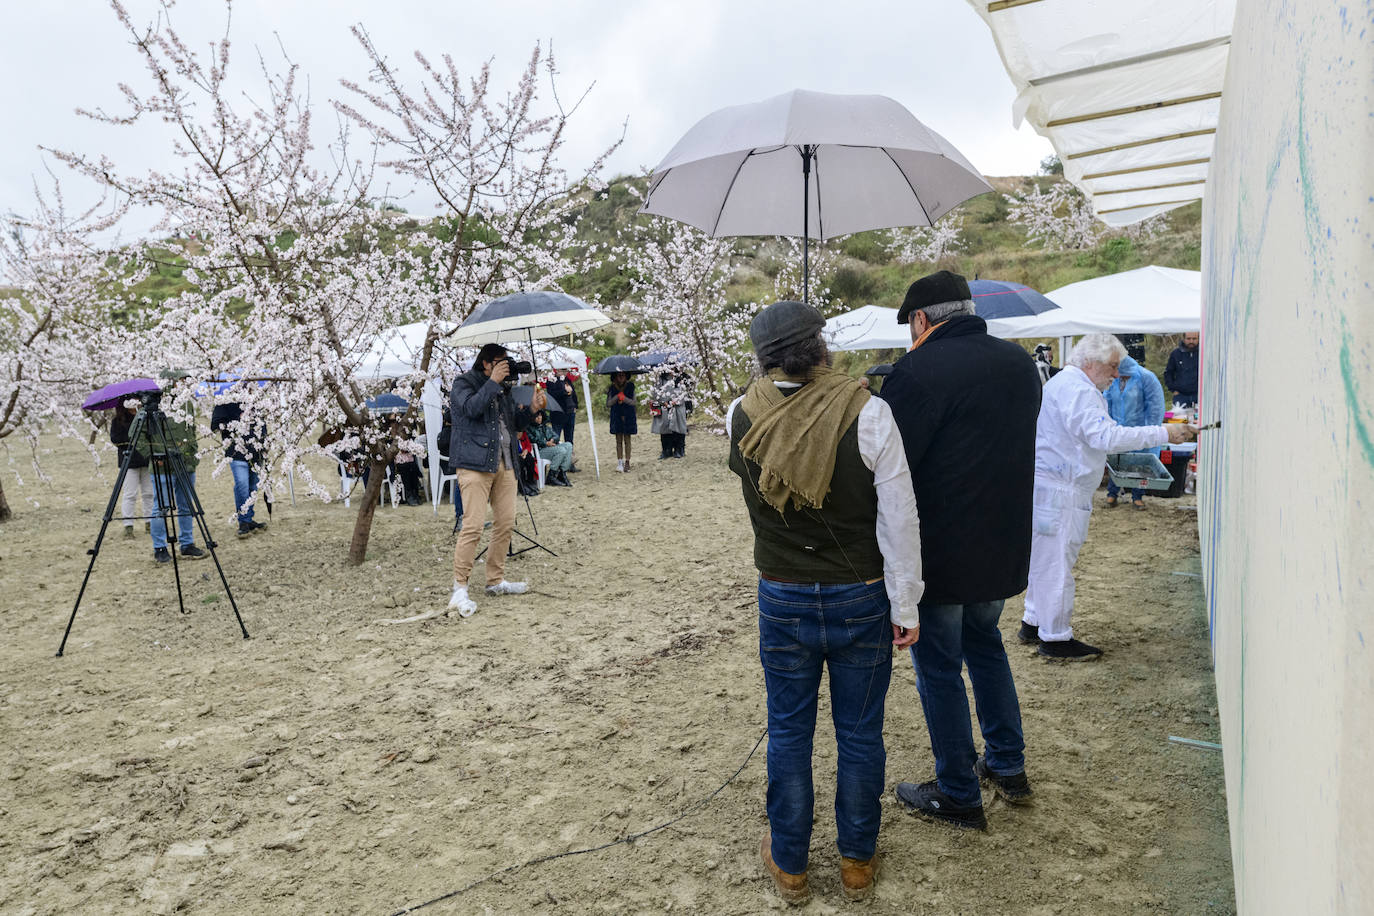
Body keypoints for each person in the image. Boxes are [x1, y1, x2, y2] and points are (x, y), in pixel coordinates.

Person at [727, 300, 923, 905]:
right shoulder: (869, 411)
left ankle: (789, 865)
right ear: (820, 346)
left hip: (781, 592)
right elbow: (899, 521)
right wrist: (906, 605)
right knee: (860, 734)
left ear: (763, 355)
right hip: (861, 596)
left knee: (788, 729)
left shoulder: (741, 412)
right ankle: (856, 862)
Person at [879, 270, 1041, 831]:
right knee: (987, 647)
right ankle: (1009, 765)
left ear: (921, 321)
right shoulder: (1021, 364)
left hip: (940, 555)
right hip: (1002, 545)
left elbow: (890, 467)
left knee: (941, 669)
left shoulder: (915, 372)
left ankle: (958, 791)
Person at [1024, 333, 1196, 660]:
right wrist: (1164, 432)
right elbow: (1105, 436)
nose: (1117, 374)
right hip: (1062, 490)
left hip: (1053, 486)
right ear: (1091, 362)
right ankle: (1055, 638)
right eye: (1113, 367)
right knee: (1056, 562)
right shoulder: (1080, 391)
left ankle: (1034, 621)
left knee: (1046, 560)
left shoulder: (1065, 385)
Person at [447, 344, 544, 617]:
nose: (506, 367)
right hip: (474, 464)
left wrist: (531, 410)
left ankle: (495, 580)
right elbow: (470, 409)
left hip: (505, 461)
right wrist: (492, 383)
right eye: (501, 363)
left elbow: (513, 424)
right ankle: (460, 587)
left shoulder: (503, 388)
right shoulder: (463, 383)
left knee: (506, 522)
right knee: (473, 526)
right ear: (486, 364)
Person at [134, 389, 208, 564]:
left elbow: (192, 429)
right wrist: (153, 455)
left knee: (186, 506)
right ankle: (160, 547)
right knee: (161, 508)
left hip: (186, 465)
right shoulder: (152, 407)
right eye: (179, 381)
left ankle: (187, 544)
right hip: (162, 468)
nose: (183, 384)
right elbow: (135, 436)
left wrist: (193, 452)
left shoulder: (188, 403)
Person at [1102, 354, 1166, 509]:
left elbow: (1155, 406)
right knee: (1116, 461)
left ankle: (1137, 496)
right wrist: (1107, 423)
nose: (1119, 376)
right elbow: (1106, 400)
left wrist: (1151, 429)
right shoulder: (1114, 379)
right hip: (1119, 428)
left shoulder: (1146, 378)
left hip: (1140, 428)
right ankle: (1112, 494)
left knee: (1140, 465)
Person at [209, 400, 269, 536]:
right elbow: (215, 426)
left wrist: (264, 444)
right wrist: (236, 422)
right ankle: (243, 520)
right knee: (242, 484)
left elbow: (263, 424)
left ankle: (248, 518)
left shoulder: (256, 399)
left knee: (253, 487)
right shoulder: (225, 401)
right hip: (236, 452)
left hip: (256, 451)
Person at [110, 403, 154, 539]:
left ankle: (150, 523)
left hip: (146, 460)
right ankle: (128, 526)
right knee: (130, 494)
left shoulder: (146, 417)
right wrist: (133, 438)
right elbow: (115, 439)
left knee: (149, 493)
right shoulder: (118, 421)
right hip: (128, 461)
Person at [528, 409, 573, 486]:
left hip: (549, 448)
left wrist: (552, 440)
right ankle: (551, 476)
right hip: (539, 451)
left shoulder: (544, 427)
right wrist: (545, 443)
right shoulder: (529, 428)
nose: (539, 418)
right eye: (536, 416)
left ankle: (562, 473)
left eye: (540, 415)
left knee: (568, 445)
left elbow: (556, 436)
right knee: (561, 450)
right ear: (532, 417)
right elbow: (532, 440)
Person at [649, 371, 688, 460]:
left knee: (678, 428)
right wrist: (663, 402)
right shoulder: (660, 379)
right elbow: (656, 393)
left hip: (678, 407)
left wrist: (676, 401)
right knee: (665, 429)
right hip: (664, 407)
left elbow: (686, 392)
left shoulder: (682, 378)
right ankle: (666, 450)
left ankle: (679, 449)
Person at [606, 371, 637, 471]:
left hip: (628, 416)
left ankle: (627, 461)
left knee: (627, 440)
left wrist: (624, 399)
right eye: (619, 375)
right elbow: (608, 403)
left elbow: (634, 402)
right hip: (616, 416)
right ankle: (620, 462)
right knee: (618, 441)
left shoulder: (631, 386)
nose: (621, 377)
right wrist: (616, 397)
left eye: (623, 375)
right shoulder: (612, 388)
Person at [1163, 331, 1200, 407]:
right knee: (1179, 419)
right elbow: (1168, 373)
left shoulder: (1203, 353)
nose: (1191, 341)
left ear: (1199, 339)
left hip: (1199, 396)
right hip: (1181, 396)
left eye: (1194, 339)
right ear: (1183, 339)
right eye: (1188, 339)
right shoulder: (1176, 354)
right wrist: (1173, 389)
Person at [549, 370, 579, 459]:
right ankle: (557, 461)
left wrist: (575, 405)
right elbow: (552, 394)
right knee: (556, 438)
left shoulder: (567, 380)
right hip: (558, 414)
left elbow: (573, 394)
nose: (565, 372)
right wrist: (565, 391)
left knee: (569, 439)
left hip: (570, 412)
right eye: (563, 370)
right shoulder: (552, 380)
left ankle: (570, 462)